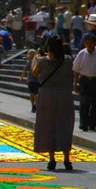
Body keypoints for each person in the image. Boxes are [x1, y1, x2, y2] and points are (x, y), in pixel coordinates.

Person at [32, 35, 75, 171]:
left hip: (47, 96)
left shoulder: (43, 61)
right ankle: (67, 159)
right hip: (64, 95)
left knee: (48, 125)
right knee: (65, 125)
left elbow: (34, 74)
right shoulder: (68, 60)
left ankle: (52, 159)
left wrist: (36, 59)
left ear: (48, 47)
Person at [73, 33, 96, 132]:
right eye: (86, 43)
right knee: (84, 102)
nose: (89, 45)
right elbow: (76, 69)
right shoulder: (82, 53)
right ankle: (83, 123)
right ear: (84, 44)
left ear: (94, 43)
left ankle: (93, 123)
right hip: (85, 80)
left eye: (90, 43)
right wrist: (75, 83)